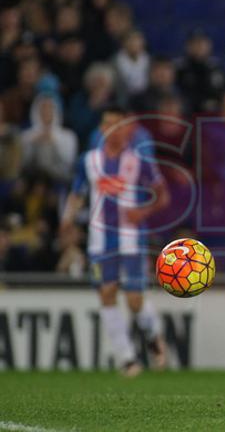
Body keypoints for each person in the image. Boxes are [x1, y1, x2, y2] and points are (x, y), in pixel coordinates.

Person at [60, 105, 170, 376]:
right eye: (108, 125)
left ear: (128, 129)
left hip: (131, 239)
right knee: (107, 294)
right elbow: (77, 193)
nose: (114, 131)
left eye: (119, 125)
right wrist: (67, 220)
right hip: (100, 241)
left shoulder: (139, 161)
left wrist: (143, 211)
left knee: (134, 299)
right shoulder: (89, 161)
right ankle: (127, 359)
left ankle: (153, 336)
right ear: (101, 129)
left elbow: (162, 195)